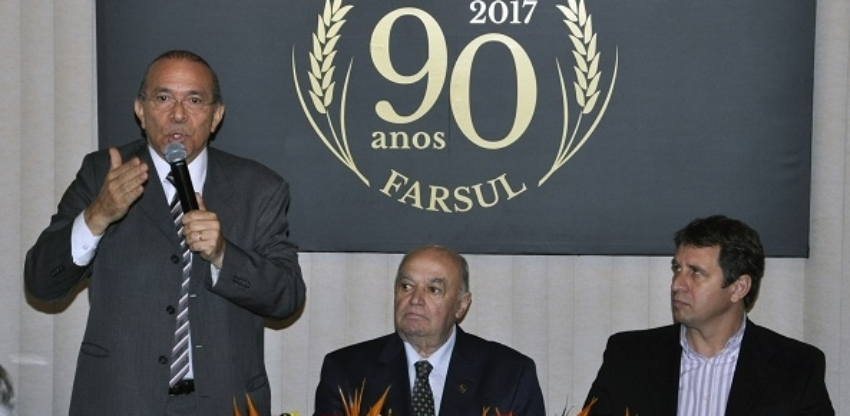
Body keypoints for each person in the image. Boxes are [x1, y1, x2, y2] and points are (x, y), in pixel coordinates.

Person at [24, 50, 306, 415]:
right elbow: (42, 282)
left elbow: (287, 299)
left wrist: (223, 254)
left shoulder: (260, 188)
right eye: (163, 98)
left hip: (224, 402)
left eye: (194, 100)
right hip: (119, 400)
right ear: (140, 110)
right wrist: (97, 215)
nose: (178, 114)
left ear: (216, 116)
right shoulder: (102, 174)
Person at [582, 215, 834, 416]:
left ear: (738, 288)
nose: (677, 284)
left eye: (696, 272)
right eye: (677, 269)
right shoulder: (629, 356)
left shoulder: (796, 367)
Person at [313, 245, 545, 415]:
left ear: (461, 304)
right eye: (406, 286)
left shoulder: (510, 374)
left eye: (433, 289)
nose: (415, 299)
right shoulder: (346, 371)